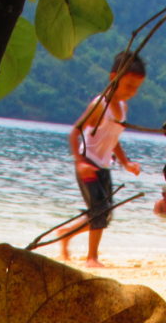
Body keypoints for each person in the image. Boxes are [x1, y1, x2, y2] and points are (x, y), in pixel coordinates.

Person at [58, 51, 145, 267]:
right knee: (99, 212)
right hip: (88, 162)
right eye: (128, 86)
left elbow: (114, 138)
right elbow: (74, 132)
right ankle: (92, 258)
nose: (132, 92)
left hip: (104, 165)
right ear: (114, 77)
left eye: (136, 88)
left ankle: (66, 234)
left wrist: (126, 163)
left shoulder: (122, 108)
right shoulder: (100, 105)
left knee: (104, 214)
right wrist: (80, 163)